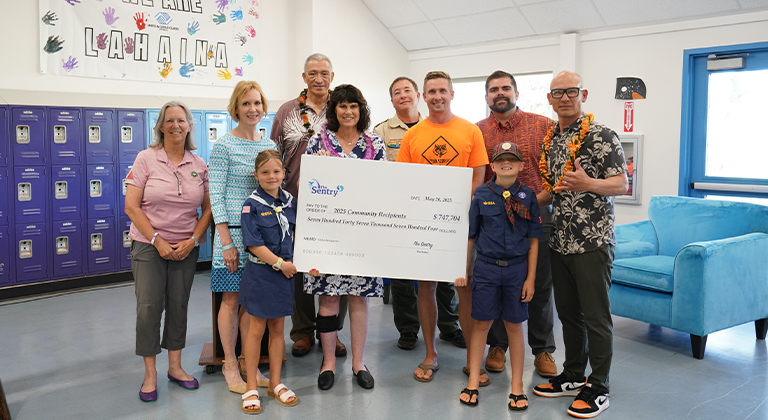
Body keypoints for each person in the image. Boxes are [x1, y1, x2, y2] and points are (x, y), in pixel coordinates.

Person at [532, 70, 628, 419]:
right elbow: (555, 189)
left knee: (596, 317)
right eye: (557, 93)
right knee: (569, 315)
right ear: (549, 99)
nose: (565, 98)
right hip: (559, 240)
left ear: (583, 95)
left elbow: (622, 184)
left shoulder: (602, 135)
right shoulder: (552, 140)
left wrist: (589, 183)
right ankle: (573, 375)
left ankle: (599, 386)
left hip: (592, 242)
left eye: (571, 91)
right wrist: (520, 204)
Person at [396, 71, 489, 385]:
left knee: (464, 288)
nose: (437, 96)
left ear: (451, 94)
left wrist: (455, 215)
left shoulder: (470, 131)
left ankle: (472, 359)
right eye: (431, 92)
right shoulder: (413, 136)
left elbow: (478, 181)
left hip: (460, 224)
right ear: (423, 97)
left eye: (442, 91)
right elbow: (404, 181)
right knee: (426, 287)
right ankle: (430, 354)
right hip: (424, 224)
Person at [125, 101, 212, 402]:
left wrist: (194, 240)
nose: (176, 125)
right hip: (149, 245)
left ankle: (175, 367)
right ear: (160, 126)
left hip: (186, 246)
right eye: (170, 120)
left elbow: (208, 209)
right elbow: (131, 206)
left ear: (189, 126)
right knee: (149, 307)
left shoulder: (198, 164)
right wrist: (157, 240)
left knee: (178, 305)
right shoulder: (146, 159)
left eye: (181, 120)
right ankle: (150, 374)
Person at [475, 71, 558, 378]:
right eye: (494, 89)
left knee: (539, 285)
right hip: (493, 220)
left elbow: (556, 175)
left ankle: (543, 349)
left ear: (516, 93)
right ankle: (498, 346)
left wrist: (531, 202)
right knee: (498, 282)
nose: (500, 93)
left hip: (539, 214)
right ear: (486, 96)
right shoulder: (477, 131)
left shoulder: (544, 126)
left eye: (506, 88)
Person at [304, 84, 385, 390]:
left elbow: (383, 187)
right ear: (333, 110)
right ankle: (328, 362)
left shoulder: (375, 144)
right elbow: (307, 186)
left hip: (363, 234)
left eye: (353, 106)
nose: (348, 111)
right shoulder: (318, 141)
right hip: (328, 234)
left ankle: (358, 362)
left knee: (359, 298)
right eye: (342, 106)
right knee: (328, 298)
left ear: (361, 110)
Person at [374, 76, 464, 351]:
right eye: (396, 92)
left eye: (407, 90)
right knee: (402, 275)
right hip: (401, 211)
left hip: (438, 210)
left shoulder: (436, 126)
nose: (403, 95)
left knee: (444, 273)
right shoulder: (381, 131)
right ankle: (408, 328)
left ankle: (449, 325)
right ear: (392, 100)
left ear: (418, 96)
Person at [270, 53, 347, 358]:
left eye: (324, 73)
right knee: (299, 267)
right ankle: (302, 331)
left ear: (332, 76)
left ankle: (332, 331)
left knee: (335, 265)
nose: (319, 78)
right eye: (312, 73)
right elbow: (274, 155)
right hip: (293, 200)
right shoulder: (287, 111)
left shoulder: (342, 108)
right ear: (304, 77)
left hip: (336, 202)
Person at [456, 141, 542, 411]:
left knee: (514, 326)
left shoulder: (528, 196)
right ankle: (473, 380)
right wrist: (463, 269)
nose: (507, 163)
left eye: (512, 159)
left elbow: (534, 240)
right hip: (486, 268)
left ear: (521, 165)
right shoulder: (481, 194)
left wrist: (530, 278)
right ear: (492, 166)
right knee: (481, 323)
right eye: (501, 159)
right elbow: (471, 236)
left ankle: (517, 386)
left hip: (517, 270)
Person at [209, 80, 275, 394]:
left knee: (252, 302)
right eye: (246, 103)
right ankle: (229, 364)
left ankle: (249, 363)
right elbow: (216, 195)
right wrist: (225, 242)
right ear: (236, 108)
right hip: (232, 236)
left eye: (257, 103)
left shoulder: (269, 145)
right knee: (231, 300)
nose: (252, 109)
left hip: (260, 237)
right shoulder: (223, 146)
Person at [239, 149, 299, 414]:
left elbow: (302, 235)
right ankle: (252, 385)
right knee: (256, 329)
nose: (271, 176)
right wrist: (280, 264)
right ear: (256, 175)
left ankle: (275, 383)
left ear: (284, 173)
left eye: (276, 171)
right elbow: (253, 244)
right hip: (263, 274)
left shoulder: (291, 202)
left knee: (278, 329)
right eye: (265, 172)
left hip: (285, 275)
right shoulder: (251, 205)